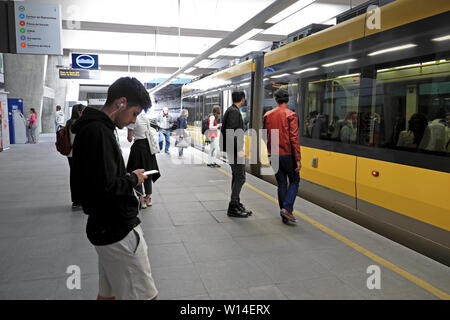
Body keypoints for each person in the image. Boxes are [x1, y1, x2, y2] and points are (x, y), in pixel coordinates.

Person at [71, 77, 158, 300]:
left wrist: (128, 177)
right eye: (134, 113)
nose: (133, 119)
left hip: (104, 228)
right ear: (121, 103)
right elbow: (105, 187)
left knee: (107, 296)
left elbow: (99, 180)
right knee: (145, 297)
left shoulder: (94, 128)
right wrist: (133, 180)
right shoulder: (98, 132)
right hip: (118, 230)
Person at [263, 89, 301, 224]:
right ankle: (287, 208)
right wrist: (298, 159)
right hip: (287, 155)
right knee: (295, 181)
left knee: (282, 184)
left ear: (275, 99)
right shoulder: (291, 115)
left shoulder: (268, 115)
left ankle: (284, 212)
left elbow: (265, 135)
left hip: (273, 154)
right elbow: (294, 138)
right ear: (288, 100)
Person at [220, 91, 252, 218]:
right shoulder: (234, 111)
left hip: (232, 149)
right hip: (234, 150)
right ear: (242, 99)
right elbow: (231, 132)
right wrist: (239, 149)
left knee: (237, 175)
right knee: (240, 177)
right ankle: (233, 206)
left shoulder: (232, 110)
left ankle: (236, 202)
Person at [127, 112, 161, 209]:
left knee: (137, 173)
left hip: (137, 149)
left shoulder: (132, 120)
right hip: (148, 148)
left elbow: (129, 139)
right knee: (148, 173)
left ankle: (141, 199)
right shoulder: (144, 118)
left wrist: (133, 133)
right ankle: (148, 198)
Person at [65, 104, 86, 208]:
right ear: (79, 111)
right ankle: (79, 201)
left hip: (70, 154)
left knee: (74, 177)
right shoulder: (78, 123)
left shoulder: (69, 122)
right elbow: (76, 140)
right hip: (77, 154)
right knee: (80, 177)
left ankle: (76, 200)